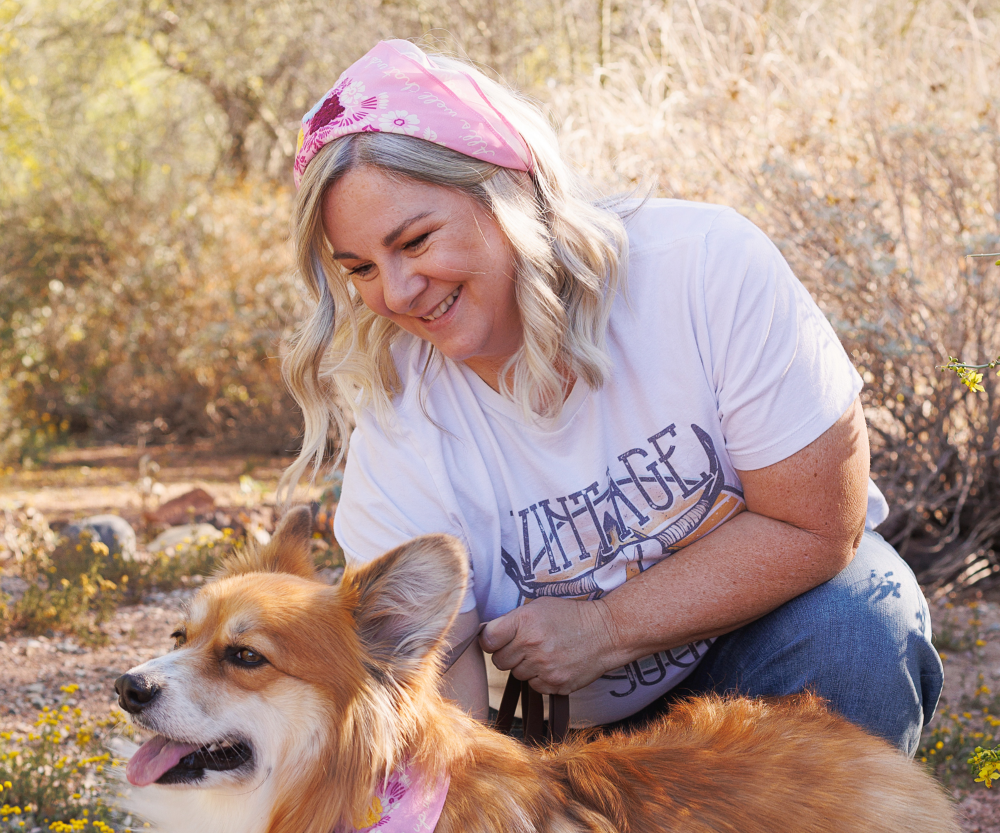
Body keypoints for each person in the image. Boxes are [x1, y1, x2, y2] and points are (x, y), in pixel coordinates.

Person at [281, 39, 942, 757]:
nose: (397, 293)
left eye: (414, 241)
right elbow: (433, 671)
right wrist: (477, 822)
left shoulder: (702, 267)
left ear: (505, 187)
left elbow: (820, 525)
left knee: (861, 623)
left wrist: (608, 627)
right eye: (361, 269)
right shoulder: (401, 409)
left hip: (766, 659)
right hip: (574, 748)